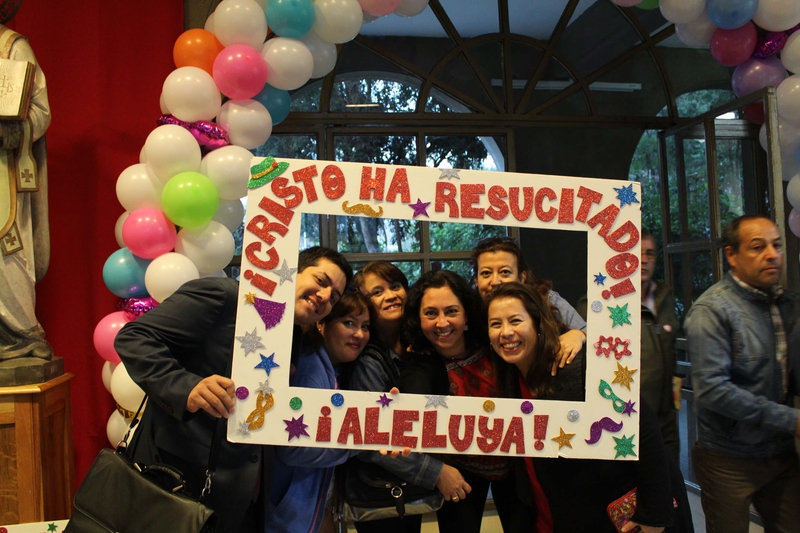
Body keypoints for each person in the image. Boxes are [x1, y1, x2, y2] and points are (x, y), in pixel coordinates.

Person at [115, 246, 352, 533]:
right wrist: (187, 387)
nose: (325, 296)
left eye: (334, 297)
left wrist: (380, 425)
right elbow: (134, 337)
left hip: (242, 501)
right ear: (291, 272)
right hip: (175, 484)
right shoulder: (225, 296)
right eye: (321, 281)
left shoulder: (294, 335)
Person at [485, 282, 693, 533]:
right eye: (495, 324)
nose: (506, 332)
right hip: (573, 511)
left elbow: (643, 428)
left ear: (538, 324)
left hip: (629, 513)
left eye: (516, 321)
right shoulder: (509, 379)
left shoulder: (575, 366)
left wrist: (654, 514)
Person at [400, 270, 541, 533]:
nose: (442, 323)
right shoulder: (418, 363)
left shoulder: (495, 342)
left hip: (516, 467)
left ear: (466, 313)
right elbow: (412, 402)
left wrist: (577, 335)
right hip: (460, 473)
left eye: (451, 311)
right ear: (418, 319)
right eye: (431, 313)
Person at [685, 215, 800, 532]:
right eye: (758, 247)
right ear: (732, 255)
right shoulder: (712, 310)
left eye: (777, 245)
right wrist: (791, 420)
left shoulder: (788, 304)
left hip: (781, 455)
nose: (772, 255)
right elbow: (713, 390)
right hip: (728, 460)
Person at [345, 261, 470, 533]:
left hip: (410, 489)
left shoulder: (420, 344)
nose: (390, 295)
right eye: (377, 292)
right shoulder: (368, 361)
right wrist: (436, 472)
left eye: (395, 286)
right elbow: (369, 440)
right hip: (382, 491)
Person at [265, 291, 371, 533]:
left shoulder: (333, 368)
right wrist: (365, 439)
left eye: (365, 326)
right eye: (349, 323)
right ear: (321, 324)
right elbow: (293, 449)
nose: (359, 334)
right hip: (281, 517)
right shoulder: (310, 368)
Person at [0, 20, 53, 361]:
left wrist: (8, 132)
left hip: (4, 171)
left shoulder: (12, 47)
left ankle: (22, 334)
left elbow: (41, 112)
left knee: (6, 248)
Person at [471, 236, 585, 374]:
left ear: (521, 278)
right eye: (486, 273)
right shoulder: (472, 311)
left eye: (505, 272)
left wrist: (579, 334)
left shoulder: (547, 299)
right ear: (476, 281)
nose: (495, 281)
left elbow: (595, 336)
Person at [640, 233, 680, 461]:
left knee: (672, 479)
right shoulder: (605, 303)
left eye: (650, 254)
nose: (644, 260)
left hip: (666, 420)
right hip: (630, 421)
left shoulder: (665, 297)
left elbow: (671, 349)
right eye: (637, 254)